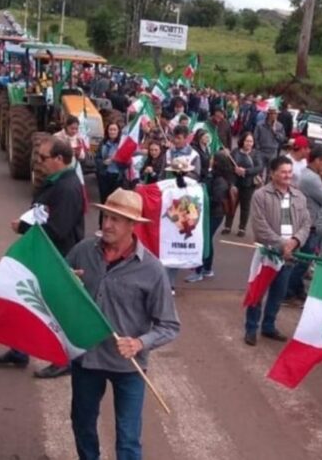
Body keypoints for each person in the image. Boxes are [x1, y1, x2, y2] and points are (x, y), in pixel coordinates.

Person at [68, 188, 180, 460]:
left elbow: (169, 325)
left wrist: (139, 342)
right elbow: (58, 287)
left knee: (128, 439)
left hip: (128, 366)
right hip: (87, 359)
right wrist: (67, 281)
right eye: (106, 216)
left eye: (116, 220)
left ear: (133, 226)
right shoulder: (82, 251)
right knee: (82, 424)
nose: (106, 224)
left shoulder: (152, 269)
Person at [0, 138, 86, 379]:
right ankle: (20, 350)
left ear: (59, 160)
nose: (38, 163)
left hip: (57, 257)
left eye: (43, 158)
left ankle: (65, 358)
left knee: (56, 310)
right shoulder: (57, 182)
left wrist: (23, 227)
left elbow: (58, 228)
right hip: (44, 254)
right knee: (26, 298)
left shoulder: (68, 187)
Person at [245, 156, 311, 346]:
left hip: (290, 255)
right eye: (283, 172)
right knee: (257, 291)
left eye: (290, 172)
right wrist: (282, 244)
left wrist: (296, 241)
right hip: (268, 253)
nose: (287, 175)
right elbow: (259, 226)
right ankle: (251, 328)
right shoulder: (260, 195)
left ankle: (268, 326)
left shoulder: (299, 196)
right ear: (272, 173)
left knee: (279, 292)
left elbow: (306, 223)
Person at [286, 146, 322, 302]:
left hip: (308, 222)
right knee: (303, 260)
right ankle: (289, 292)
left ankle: (297, 288)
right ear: (317, 160)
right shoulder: (312, 178)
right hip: (310, 224)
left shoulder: (309, 175)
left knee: (304, 260)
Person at [186, 153, 232, 283]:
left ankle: (199, 270)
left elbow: (216, 199)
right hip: (210, 213)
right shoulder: (213, 175)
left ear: (217, 162)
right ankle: (207, 268)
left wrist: (200, 201)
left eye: (213, 159)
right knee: (208, 240)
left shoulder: (220, 180)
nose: (210, 160)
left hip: (214, 214)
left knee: (204, 240)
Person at [224, 132, 263, 237]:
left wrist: (245, 171)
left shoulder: (256, 154)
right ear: (242, 141)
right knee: (232, 205)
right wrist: (235, 170)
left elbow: (259, 167)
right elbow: (227, 166)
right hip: (235, 183)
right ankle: (227, 226)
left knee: (245, 207)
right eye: (247, 141)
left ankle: (242, 228)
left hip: (248, 184)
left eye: (251, 141)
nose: (249, 143)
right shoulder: (235, 152)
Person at [96, 123, 123, 220]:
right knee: (104, 201)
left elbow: (127, 162)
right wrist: (103, 163)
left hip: (117, 177)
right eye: (110, 129)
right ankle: (101, 225)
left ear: (118, 131)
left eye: (114, 130)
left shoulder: (121, 144)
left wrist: (119, 160)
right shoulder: (103, 143)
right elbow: (97, 159)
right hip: (104, 175)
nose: (112, 132)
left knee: (116, 202)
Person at [254, 106, 286, 174]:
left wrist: (275, 132)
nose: (273, 115)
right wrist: (258, 148)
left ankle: (267, 184)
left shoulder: (280, 126)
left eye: (275, 114)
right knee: (259, 171)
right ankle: (259, 184)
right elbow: (255, 137)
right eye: (271, 113)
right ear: (268, 114)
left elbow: (282, 139)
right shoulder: (260, 124)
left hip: (273, 152)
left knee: (270, 173)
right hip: (261, 151)